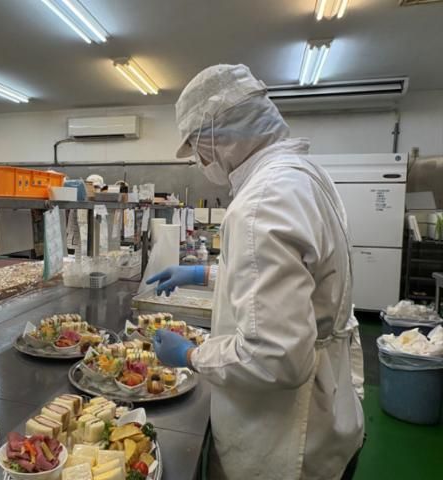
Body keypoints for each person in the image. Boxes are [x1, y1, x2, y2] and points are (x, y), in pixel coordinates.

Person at [146, 64, 365, 480]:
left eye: (198, 149)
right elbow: (294, 282)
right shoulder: (304, 176)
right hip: (330, 411)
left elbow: (274, 357)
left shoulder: (263, 201)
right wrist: (204, 274)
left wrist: (191, 355)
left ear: (218, 137)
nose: (201, 161)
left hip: (288, 434)